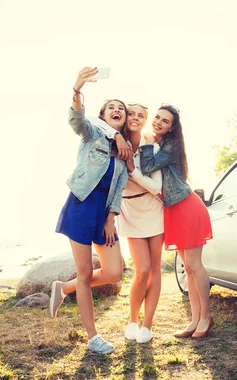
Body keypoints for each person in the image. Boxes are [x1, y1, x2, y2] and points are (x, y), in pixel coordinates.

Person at [50, 66, 131, 355]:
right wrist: (77, 89)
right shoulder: (92, 135)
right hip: (81, 207)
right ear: (104, 115)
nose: (116, 109)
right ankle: (93, 337)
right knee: (85, 273)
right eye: (111, 107)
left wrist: (111, 218)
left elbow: (119, 188)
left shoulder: (125, 152)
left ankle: (64, 289)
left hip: (104, 216)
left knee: (114, 273)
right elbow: (77, 119)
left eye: (121, 108)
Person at [139, 104, 214, 339]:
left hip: (188, 206)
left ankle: (206, 317)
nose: (159, 122)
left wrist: (148, 142)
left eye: (165, 121)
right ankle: (193, 319)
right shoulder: (163, 145)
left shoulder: (170, 146)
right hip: (173, 210)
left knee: (193, 265)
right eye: (157, 118)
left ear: (172, 128)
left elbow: (148, 166)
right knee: (188, 269)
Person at [117, 103, 164, 344]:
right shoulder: (116, 143)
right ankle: (133, 320)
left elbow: (157, 187)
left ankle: (148, 325)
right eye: (131, 114)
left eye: (140, 115)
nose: (135, 118)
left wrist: (133, 170)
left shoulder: (150, 146)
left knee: (154, 268)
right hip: (129, 210)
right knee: (142, 269)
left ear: (145, 120)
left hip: (153, 209)